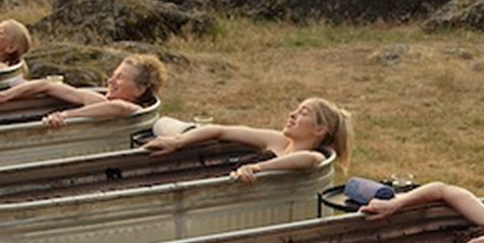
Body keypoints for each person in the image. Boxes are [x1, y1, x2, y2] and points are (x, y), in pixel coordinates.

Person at [140, 97, 352, 182]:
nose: (292, 115)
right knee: (163, 125)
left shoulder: (314, 157)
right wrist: (178, 142)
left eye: (303, 113)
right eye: (295, 110)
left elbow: (306, 160)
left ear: (319, 130)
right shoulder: (278, 141)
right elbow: (220, 131)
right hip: (218, 174)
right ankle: (183, 129)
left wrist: (258, 168)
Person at [0, 52, 164, 127]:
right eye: (113, 75)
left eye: (120, 78)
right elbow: (48, 85)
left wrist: (66, 115)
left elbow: (119, 109)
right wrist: (1, 97)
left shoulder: (135, 111)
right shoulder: (102, 102)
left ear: (139, 90)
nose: (110, 81)